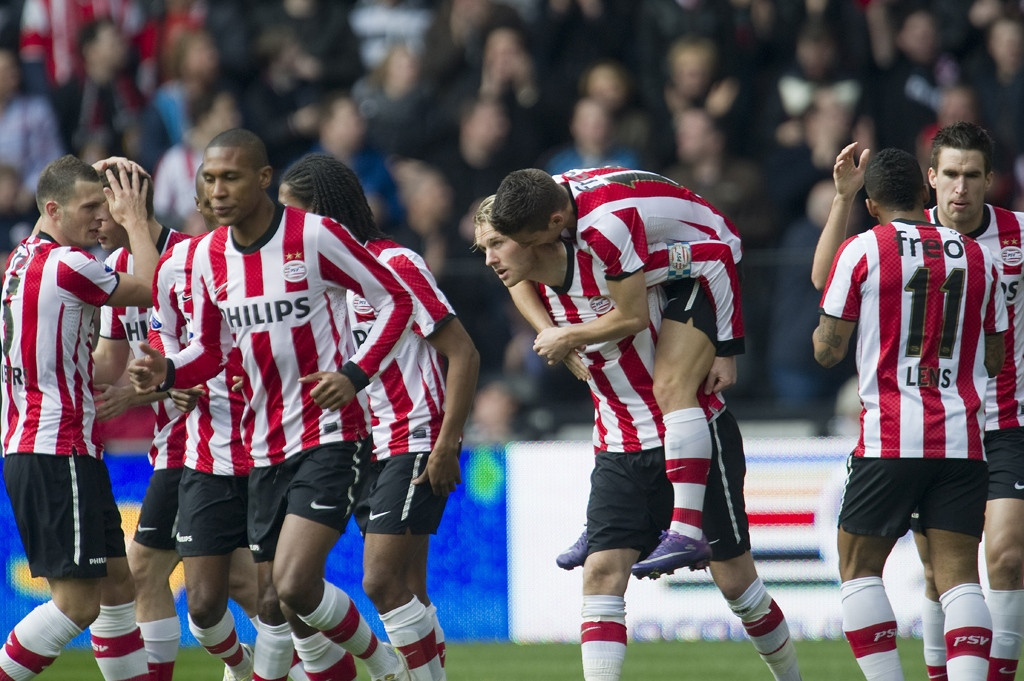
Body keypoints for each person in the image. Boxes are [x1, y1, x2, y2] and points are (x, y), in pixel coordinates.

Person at [127, 128, 416, 681]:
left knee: (293, 584)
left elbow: (395, 301)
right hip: (263, 448)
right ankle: (365, 666)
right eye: (209, 180)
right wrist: (165, 371)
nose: (218, 190)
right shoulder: (210, 257)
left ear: (263, 179)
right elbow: (209, 353)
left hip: (329, 433)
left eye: (231, 178)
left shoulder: (316, 235)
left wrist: (354, 375)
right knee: (272, 603)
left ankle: (386, 667)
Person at [474, 198, 801, 681]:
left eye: (497, 244)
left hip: (690, 434)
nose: (490, 259)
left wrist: (724, 346)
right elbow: (523, 288)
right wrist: (549, 332)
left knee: (737, 583)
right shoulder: (530, 282)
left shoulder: (616, 261)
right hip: (619, 442)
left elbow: (707, 262)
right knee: (601, 573)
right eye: (483, 247)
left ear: (531, 237)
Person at [812, 122, 1024, 680]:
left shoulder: (867, 247)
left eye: (971, 175)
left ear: (874, 201)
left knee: (859, 569)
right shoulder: (980, 259)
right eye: (951, 175)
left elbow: (828, 348)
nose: (961, 187)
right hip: (964, 431)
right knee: (956, 576)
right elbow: (998, 356)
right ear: (929, 186)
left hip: (893, 431)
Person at [278, 152, 480, 681]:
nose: (284, 229)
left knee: (380, 581)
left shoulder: (395, 266)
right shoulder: (322, 286)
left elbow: (464, 353)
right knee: (408, 588)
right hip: (362, 446)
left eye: (291, 215)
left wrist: (446, 445)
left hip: (414, 438)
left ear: (323, 214)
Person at [489, 166, 744, 578]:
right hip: (659, 242)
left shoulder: (603, 229)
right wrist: (550, 330)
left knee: (671, 386)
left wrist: (728, 348)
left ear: (556, 223)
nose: (521, 249)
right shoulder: (547, 196)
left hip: (708, 253)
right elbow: (517, 277)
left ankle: (685, 528)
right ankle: (606, 524)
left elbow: (634, 315)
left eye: (526, 242)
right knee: (610, 381)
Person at [0, 156, 158, 680]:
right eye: (90, 206)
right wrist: (135, 219)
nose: (101, 216)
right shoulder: (70, 264)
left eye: (105, 205)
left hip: (48, 444)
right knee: (78, 605)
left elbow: (91, 361)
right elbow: (150, 287)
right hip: (55, 448)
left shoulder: (22, 261)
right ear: (52, 208)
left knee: (117, 588)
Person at [88, 157, 193, 681]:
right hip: (176, 442)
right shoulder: (111, 276)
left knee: (144, 571)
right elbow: (108, 363)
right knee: (241, 588)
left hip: (216, 441)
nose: (92, 223)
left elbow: (216, 361)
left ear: (126, 203)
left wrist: (138, 394)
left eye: (97, 208)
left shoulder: (194, 260)